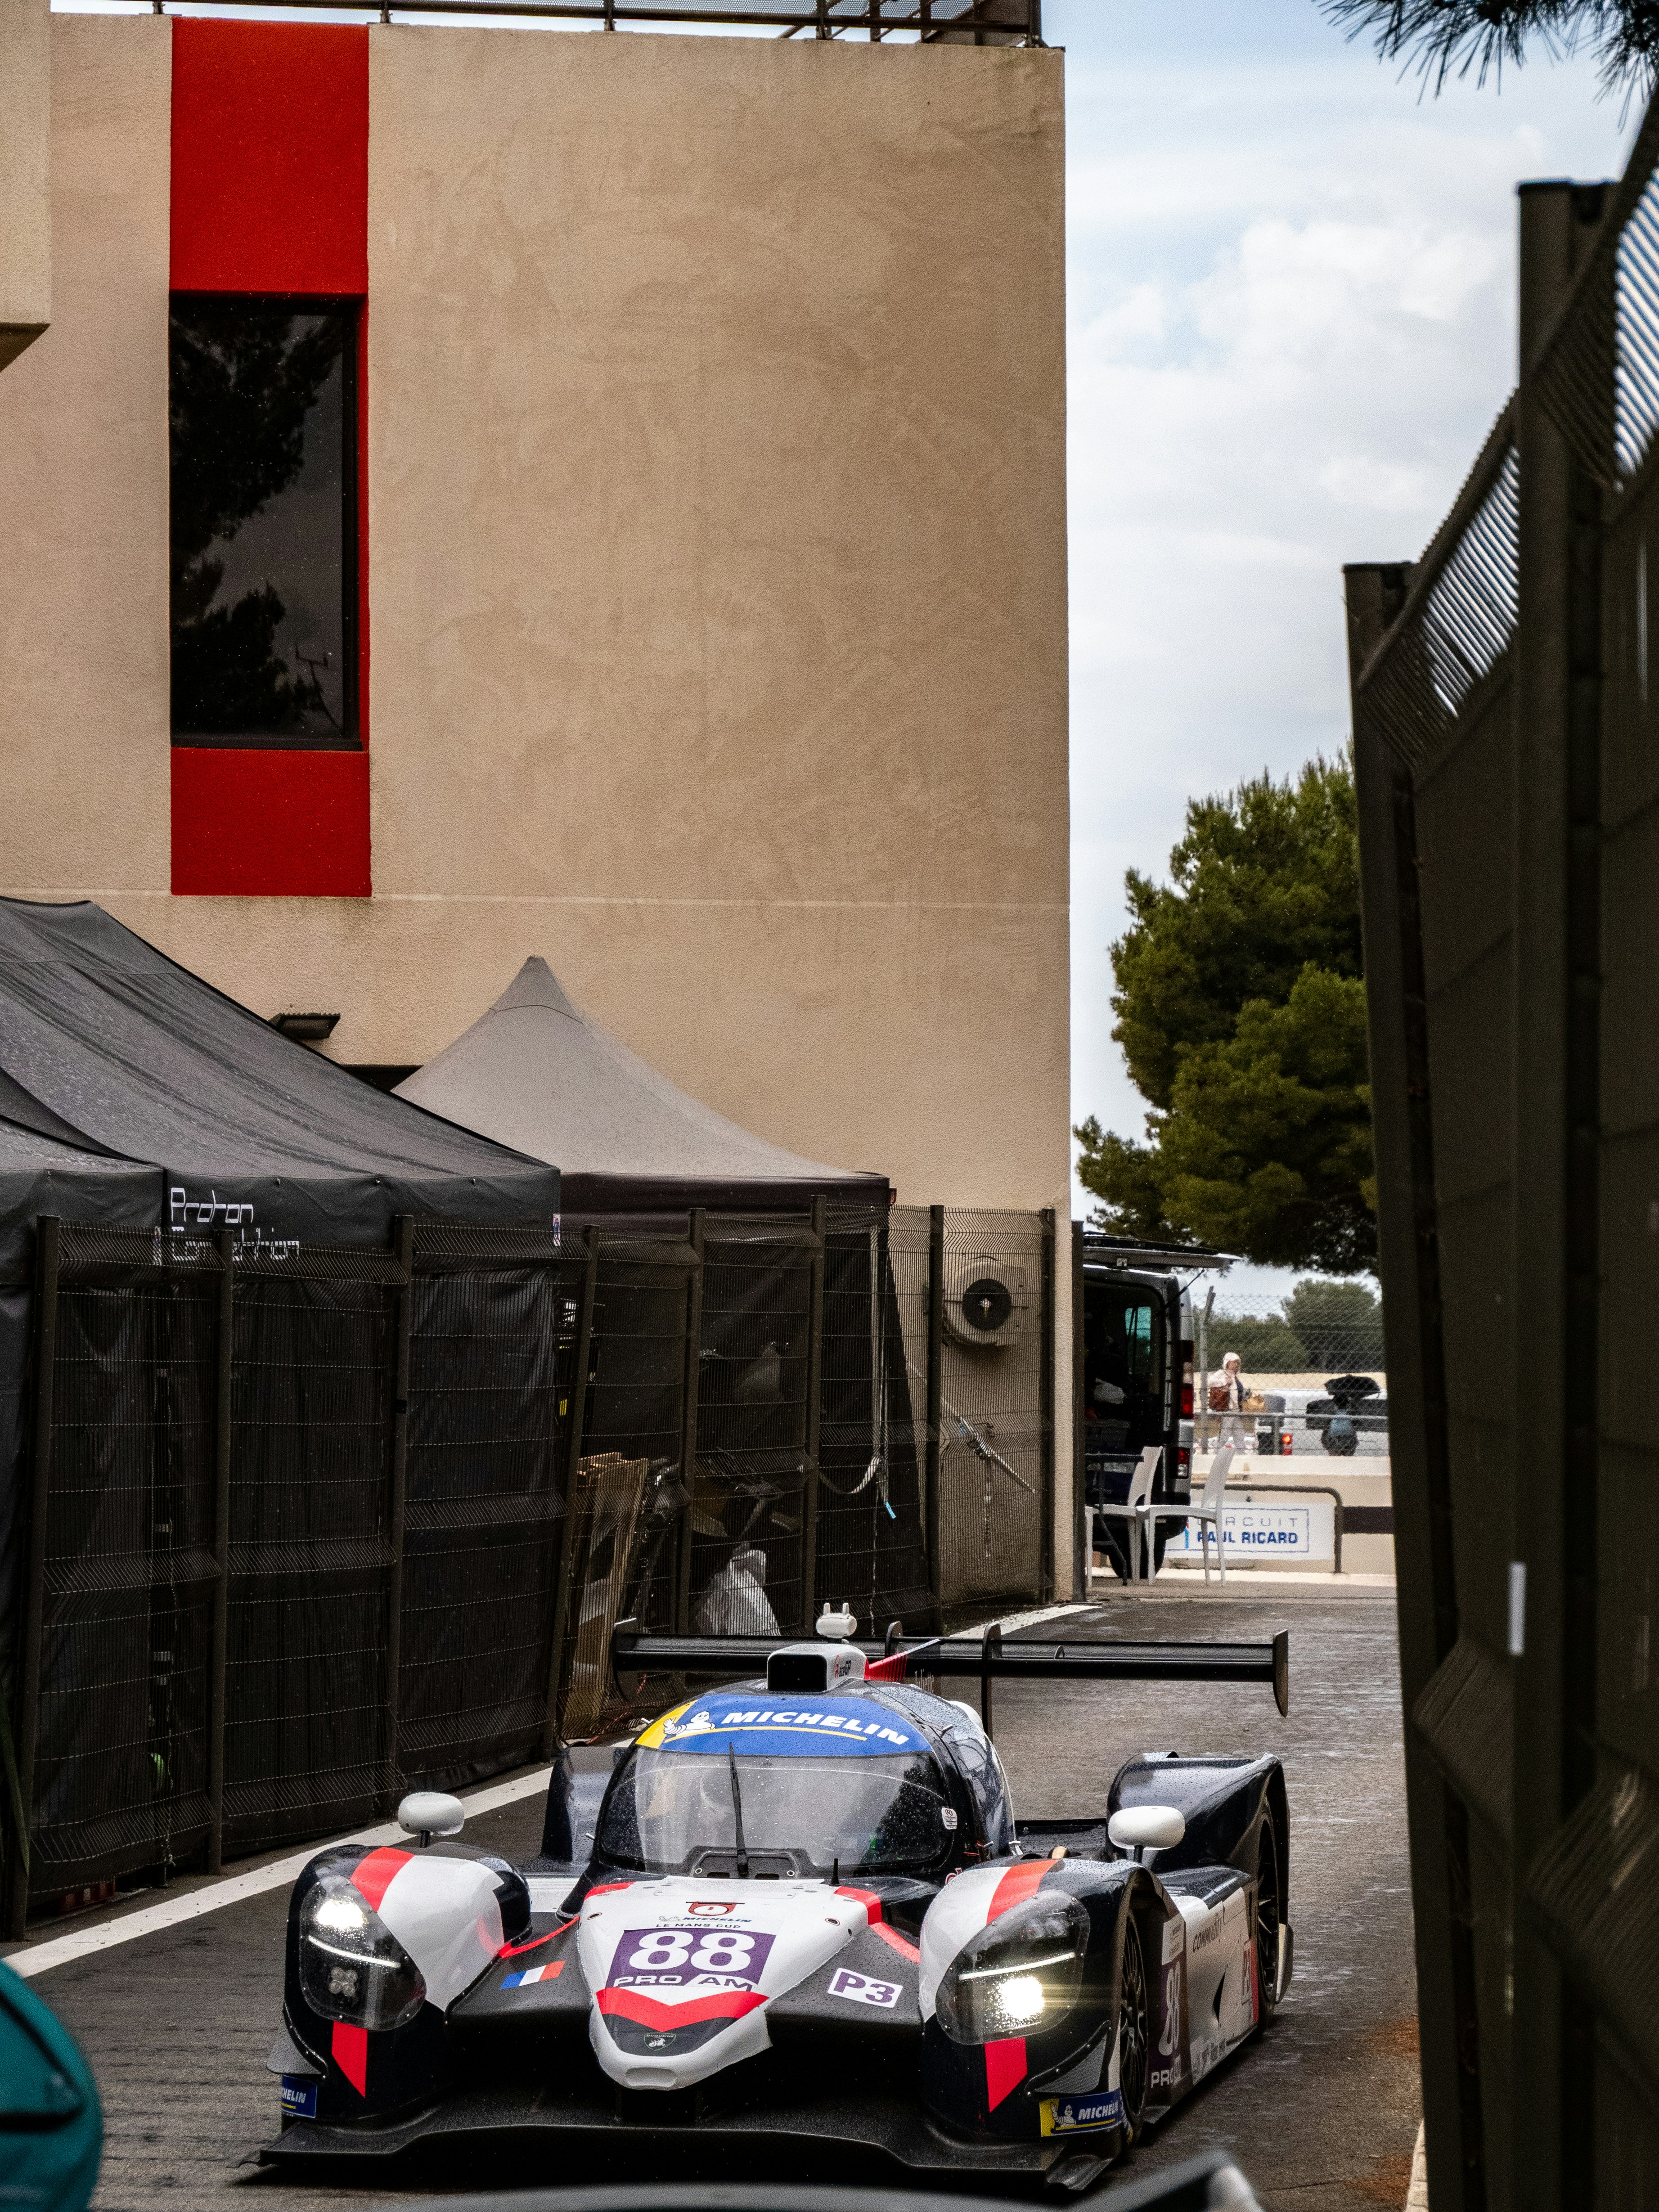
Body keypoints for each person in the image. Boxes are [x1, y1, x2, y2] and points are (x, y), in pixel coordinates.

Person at [1211, 1351, 1248, 1451]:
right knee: (1225, 1433)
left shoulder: (1235, 1376)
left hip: (1236, 1409)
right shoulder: (1222, 1373)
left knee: (1239, 1433)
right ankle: (1216, 1451)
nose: (1234, 1364)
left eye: (1236, 1362)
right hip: (1228, 1408)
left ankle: (1242, 1454)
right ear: (1227, 1363)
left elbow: (1238, 1392)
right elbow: (1209, 1382)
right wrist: (1224, 1382)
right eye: (1232, 1362)